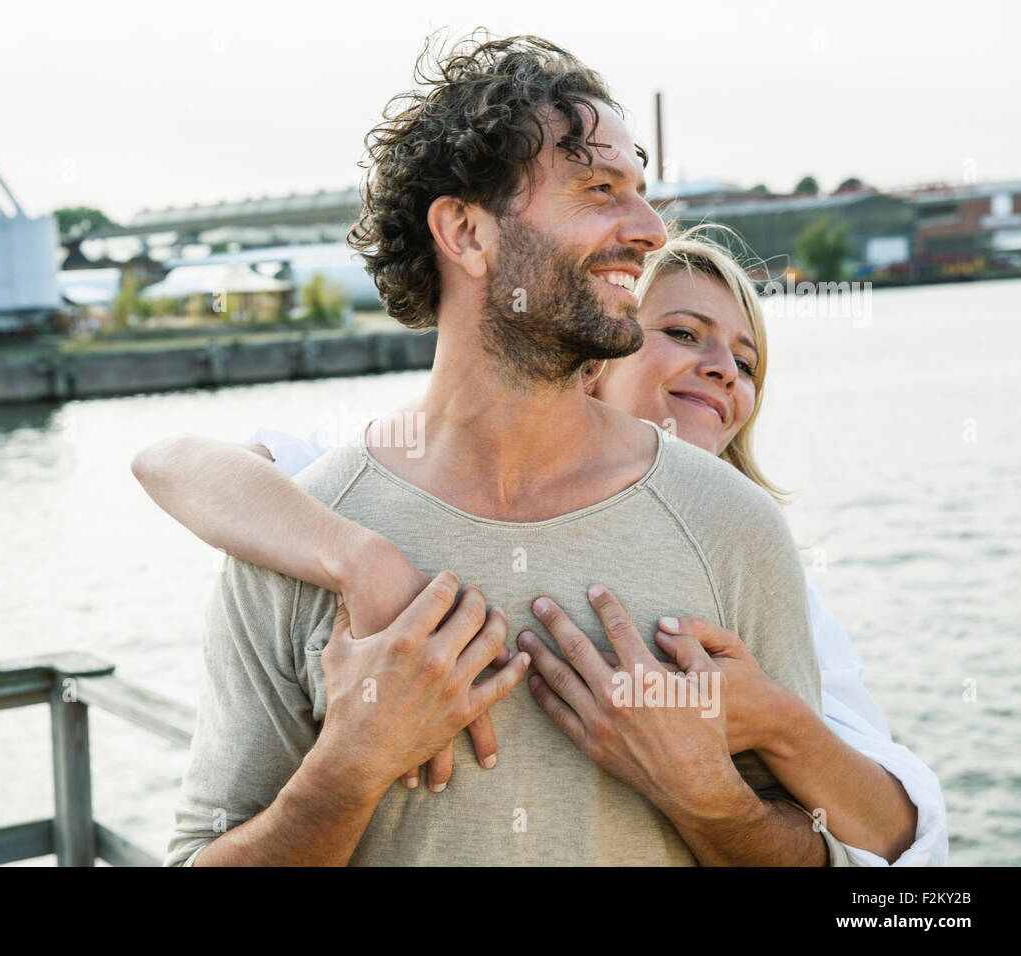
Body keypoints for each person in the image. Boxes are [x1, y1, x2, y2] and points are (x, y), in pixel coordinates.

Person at [144, 32, 851, 866]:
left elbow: (835, 857)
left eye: (642, 193)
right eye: (598, 188)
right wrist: (347, 768)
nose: (652, 229)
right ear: (468, 234)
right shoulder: (300, 537)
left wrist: (710, 803)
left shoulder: (733, 526)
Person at [136, 223, 947, 866]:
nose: (724, 370)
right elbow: (172, 462)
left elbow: (906, 856)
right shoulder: (389, 485)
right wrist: (364, 564)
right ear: (601, 345)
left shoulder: (751, 554)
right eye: (684, 332)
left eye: (745, 360)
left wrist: (767, 724)